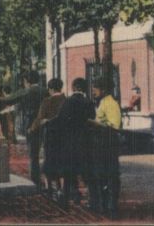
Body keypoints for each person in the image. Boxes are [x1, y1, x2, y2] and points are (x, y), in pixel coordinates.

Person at [49, 78, 95, 208]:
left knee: (69, 170)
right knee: (86, 171)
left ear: (74, 87)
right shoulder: (89, 102)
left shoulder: (68, 101)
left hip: (70, 141)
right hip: (85, 141)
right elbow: (92, 120)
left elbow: (60, 120)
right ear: (84, 88)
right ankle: (91, 198)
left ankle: (69, 195)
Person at [0, 71, 48, 186]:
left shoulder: (26, 92)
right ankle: (46, 176)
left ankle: (35, 180)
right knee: (46, 152)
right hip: (45, 125)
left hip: (31, 125)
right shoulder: (45, 91)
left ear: (27, 81)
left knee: (33, 154)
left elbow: (7, 101)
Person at [88, 79, 122, 218]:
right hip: (101, 144)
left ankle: (111, 206)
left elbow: (114, 126)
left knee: (111, 175)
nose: (93, 92)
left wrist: (93, 123)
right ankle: (104, 205)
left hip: (108, 144)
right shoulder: (103, 102)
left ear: (103, 89)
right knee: (102, 174)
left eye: (95, 89)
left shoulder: (111, 104)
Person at [31, 78, 68, 197]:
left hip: (51, 135)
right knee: (62, 161)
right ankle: (62, 188)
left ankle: (49, 188)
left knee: (49, 161)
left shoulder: (47, 101)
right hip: (64, 135)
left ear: (51, 89)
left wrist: (32, 129)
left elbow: (39, 119)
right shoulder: (66, 101)